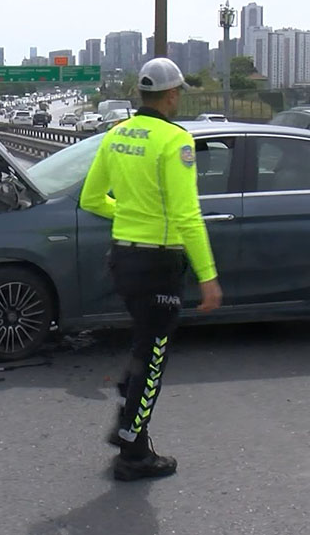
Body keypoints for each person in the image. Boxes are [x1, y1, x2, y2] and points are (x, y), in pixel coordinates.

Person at [79, 57, 223, 482]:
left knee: (146, 345)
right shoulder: (174, 141)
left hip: (123, 258)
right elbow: (187, 215)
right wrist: (208, 276)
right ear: (173, 94)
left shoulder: (116, 135)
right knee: (154, 355)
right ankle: (132, 452)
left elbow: (91, 199)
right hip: (159, 263)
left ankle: (130, 417)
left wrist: (129, 215)